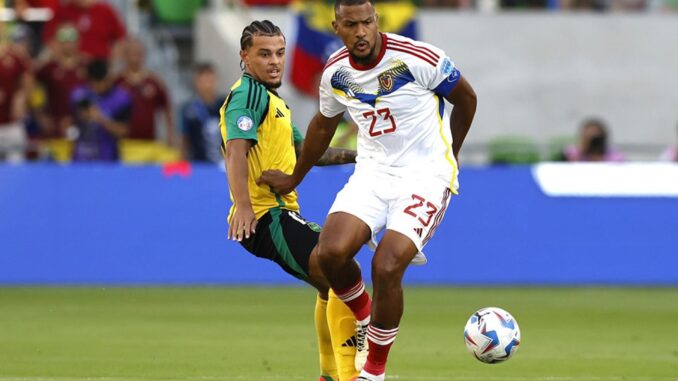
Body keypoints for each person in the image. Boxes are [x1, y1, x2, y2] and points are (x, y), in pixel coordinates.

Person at [259, 1, 477, 380]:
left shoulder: (417, 58)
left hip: (425, 176)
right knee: (329, 254)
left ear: (376, 21)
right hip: (373, 172)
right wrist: (295, 178)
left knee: (387, 265)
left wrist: (450, 157)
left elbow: (467, 99)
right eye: (351, 25)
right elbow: (323, 127)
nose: (361, 32)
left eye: (367, 23)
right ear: (336, 26)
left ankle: (373, 372)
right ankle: (364, 316)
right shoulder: (336, 72)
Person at [221, 20, 364, 381]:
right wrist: (243, 205)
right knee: (341, 272)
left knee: (330, 281)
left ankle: (331, 375)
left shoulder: (275, 103)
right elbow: (236, 151)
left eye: (280, 53)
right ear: (244, 56)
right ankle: (348, 376)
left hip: (279, 215)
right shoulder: (248, 95)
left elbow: (308, 152)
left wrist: (360, 155)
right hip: (267, 217)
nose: (274, 62)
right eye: (264, 54)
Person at [116, 38, 176, 148]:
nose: (136, 58)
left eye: (139, 54)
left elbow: (167, 108)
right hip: (124, 144)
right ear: (125, 56)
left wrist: (170, 135)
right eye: (132, 54)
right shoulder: (117, 82)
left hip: (149, 143)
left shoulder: (154, 81)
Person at [70, 59, 131, 161]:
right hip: (81, 158)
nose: (96, 87)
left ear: (107, 79)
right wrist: (81, 117)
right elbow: (69, 123)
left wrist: (101, 119)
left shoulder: (121, 99)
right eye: (93, 83)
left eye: (100, 82)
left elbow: (123, 131)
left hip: (108, 159)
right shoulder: (78, 95)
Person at [37, 24, 87, 138]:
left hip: (83, 129)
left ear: (78, 41)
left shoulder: (86, 66)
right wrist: (40, 116)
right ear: (57, 42)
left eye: (72, 40)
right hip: (55, 128)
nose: (68, 44)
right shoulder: (48, 68)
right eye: (64, 40)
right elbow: (33, 89)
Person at [42, 0, 126, 60]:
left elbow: (121, 40)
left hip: (100, 66)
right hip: (71, 67)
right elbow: (50, 40)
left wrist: (112, 60)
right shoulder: (62, 11)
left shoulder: (106, 11)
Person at [181, 63, 227, 163]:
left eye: (210, 81)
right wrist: (183, 160)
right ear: (196, 82)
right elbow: (185, 138)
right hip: (198, 163)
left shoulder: (226, 105)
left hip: (222, 163)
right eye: (203, 81)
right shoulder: (189, 109)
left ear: (215, 80)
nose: (207, 85)